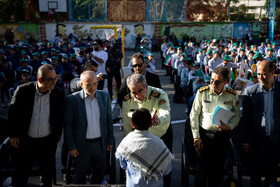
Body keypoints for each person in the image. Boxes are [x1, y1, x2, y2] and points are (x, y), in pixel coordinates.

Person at [8, 64, 65, 187]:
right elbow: (12, 114)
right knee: (20, 175)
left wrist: (58, 133)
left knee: (46, 177)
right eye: (51, 80)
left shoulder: (58, 93)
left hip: (47, 142)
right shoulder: (23, 90)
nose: (54, 82)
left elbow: (60, 115)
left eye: (55, 78)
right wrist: (13, 135)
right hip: (25, 141)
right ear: (40, 80)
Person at [190, 67, 240, 187]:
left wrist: (229, 127)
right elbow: (194, 116)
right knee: (202, 170)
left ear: (225, 82)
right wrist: (196, 137)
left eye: (217, 82)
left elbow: (237, 116)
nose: (213, 83)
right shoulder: (202, 92)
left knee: (217, 170)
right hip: (204, 136)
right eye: (211, 80)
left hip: (222, 137)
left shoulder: (232, 95)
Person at [122, 74, 172, 187]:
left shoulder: (159, 94)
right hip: (140, 140)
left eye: (140, 91)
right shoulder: (127, 100)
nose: (137, 95)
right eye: (133, 92)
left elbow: (166, 113)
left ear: (146, 86)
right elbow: (126, 125)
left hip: (160, 135)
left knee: (164, 167)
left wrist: (158, 119)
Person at [64, 71, 114, 184]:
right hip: (82, 146)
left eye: (95, 84)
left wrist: (110, 140)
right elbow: (68, 126)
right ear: (81, 85)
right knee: (80, 178)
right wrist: (71, 146)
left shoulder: (104, 97)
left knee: (98, 177)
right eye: (88, 85)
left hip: (100, 145)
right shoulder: (72, 100)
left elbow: (108, 120)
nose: (92, 88)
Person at [242, 60, 280, 187]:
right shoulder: (250, 92)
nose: (260, 77)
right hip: (256, 141)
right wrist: (246, 141)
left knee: (272, 175)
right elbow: (245, 119)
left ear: (272, 72)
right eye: (258, 74)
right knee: (256, 176)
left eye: (264, 74)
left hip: (275, 140)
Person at [116, 108, 173, 187]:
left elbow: (123, 165)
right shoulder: (158, 143)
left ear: (132, 124)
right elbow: (167, 169)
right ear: (150, 124)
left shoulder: (126, 141)